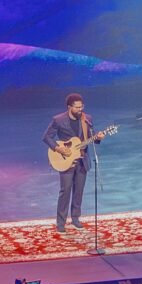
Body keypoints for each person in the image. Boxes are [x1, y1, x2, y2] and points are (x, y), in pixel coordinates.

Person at [43, 93, 102, 232]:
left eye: (82, 107)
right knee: (65, 191)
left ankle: (75, 218)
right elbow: (46, 137)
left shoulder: (87, 119)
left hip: (82, 160)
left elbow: (91, 137)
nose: (80, 110)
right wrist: (58, 148)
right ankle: (61, 223)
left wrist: (98, 138)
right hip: (66, 160)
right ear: (69, 107)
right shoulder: (59, 120)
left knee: (78, 191)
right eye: (77, 107)